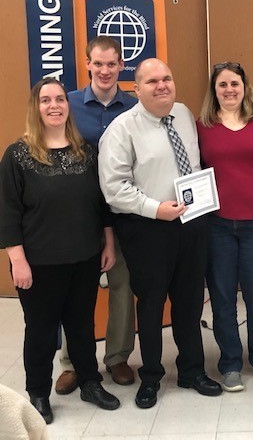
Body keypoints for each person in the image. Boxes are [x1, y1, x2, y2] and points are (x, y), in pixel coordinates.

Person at [98, 58, 222, 409]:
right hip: (148, 228)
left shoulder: (183, 114)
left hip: (191, 222)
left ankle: (192, 371)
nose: (162, 85)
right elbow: (114, 188)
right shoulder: (122, 129)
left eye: (167, 78)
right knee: (151, 306)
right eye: (152, 81)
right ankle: (150, 376)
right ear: (136, 89)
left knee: (189, 301)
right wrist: (156, 209)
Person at [0, 78, 121, 424]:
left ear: (68, 106)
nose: (54, 105)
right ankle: (38, 392)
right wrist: (17, 260)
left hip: (84, 257)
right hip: (37, 263)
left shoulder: (86, 151)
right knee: (40, 329)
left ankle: (89, 381)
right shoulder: (17, 155)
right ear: (35, 108)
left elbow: (102, 205)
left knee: (82, 325)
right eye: (45, 100)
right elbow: (7, 213)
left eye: (59, 99)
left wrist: (108, 243)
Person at [54, 35, 138, 395]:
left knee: (122, 285)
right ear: (87, 63)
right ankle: (74, 362)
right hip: (81, 214)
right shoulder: (68, 104)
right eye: (98, 63)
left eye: (111, 64)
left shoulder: (135, 106)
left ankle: (117, 357)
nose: (104, 70)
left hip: (124, 211)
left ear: (122, 66)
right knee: (78, 290)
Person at [198, 62, 253, 392]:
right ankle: (230, 363)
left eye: (234, 83)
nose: (229, 89)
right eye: (222, 85)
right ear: (215, 90)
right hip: (216, 225)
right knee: (222, 298)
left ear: (245, 86)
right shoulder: (202, 126)